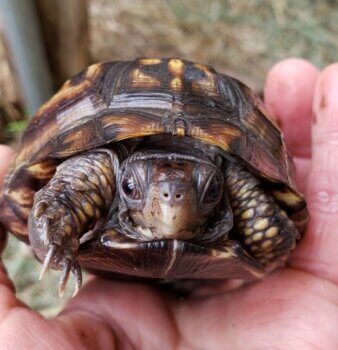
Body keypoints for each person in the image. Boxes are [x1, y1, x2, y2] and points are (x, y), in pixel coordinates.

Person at [0, 58, 337, 349]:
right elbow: (66, 189)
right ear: (123, 180)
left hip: (213, 294)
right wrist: (56, 220)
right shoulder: (99, 168)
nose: (171, 203)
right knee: (86, 180)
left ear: (219, 186)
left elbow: (270, 227)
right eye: (132, 187)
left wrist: (270, 240)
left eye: (208, 192)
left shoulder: (235, 181)